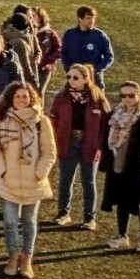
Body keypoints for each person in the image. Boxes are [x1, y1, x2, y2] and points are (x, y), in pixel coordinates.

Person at [0, 81, 57, 279]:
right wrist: (3, 171)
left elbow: (49, 152)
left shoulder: (41, 121)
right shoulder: (0, 119)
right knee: (10, 221)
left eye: (25, 96)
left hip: (33, 182)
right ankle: (13, 256)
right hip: (8, 181)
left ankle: (27, 258)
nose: (21, 100)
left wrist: (39, 173)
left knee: (29, 222)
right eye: (17, 96)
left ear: (31, 98)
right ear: (10, 99)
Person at [103, 82, 140, 254]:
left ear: (139, 96)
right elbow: (105, 138)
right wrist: (106, 161)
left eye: (131, 95)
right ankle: (122, 235)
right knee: (121, 201)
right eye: (123, 95)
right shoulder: (114, 114)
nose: (127, 99)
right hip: (117, 164)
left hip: (137, 167)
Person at [50, 64, 109, 230]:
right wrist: (56, 139)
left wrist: (100, 146)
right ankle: (63, 213)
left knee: (88, 181)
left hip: (89, 144)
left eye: (75, 77)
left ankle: (90, 217)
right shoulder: (62, 97)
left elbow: (106, 125)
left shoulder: (97, 98)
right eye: (69, 77)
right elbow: (53, 119)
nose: (71, 80)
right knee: (65, 179)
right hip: (68, 143)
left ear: (85, 79)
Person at [59, 6, 114, 87]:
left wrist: (95, 70)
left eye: (93, 18)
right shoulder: (70, 34)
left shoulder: (99, 35)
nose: (92, 21)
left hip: (94, 79)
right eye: (88, 18)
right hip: (74, 78)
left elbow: (109, 56)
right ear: (79, 19)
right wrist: (69, 69)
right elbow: (63, 54)